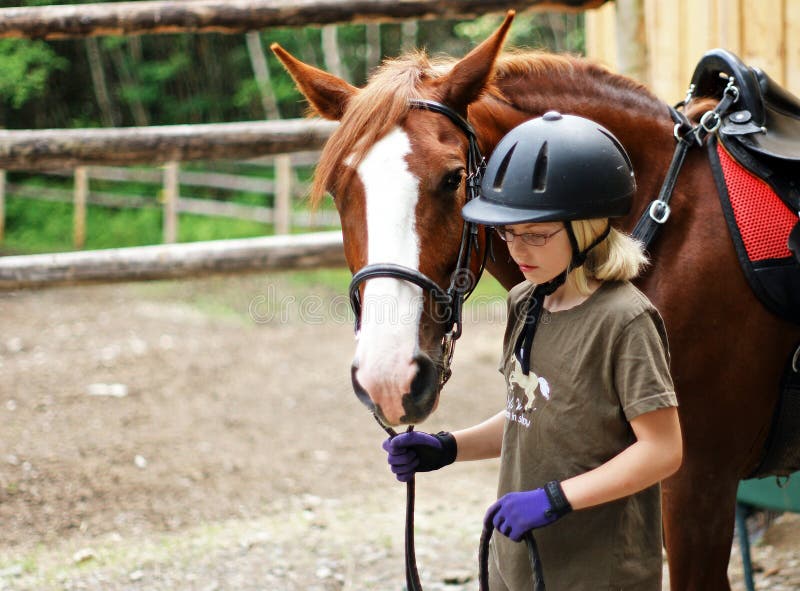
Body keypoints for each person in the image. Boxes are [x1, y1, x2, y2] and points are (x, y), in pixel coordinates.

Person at [382, 112, 683, 590]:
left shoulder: (625, 320)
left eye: (536, 234)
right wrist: (448, 447)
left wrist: (556, 499)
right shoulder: (527, 299)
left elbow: (662, 450)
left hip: (597, 573)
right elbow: (535, 410)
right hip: (520, 563)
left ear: (586, 229)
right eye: (508, 232)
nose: (518, 249)